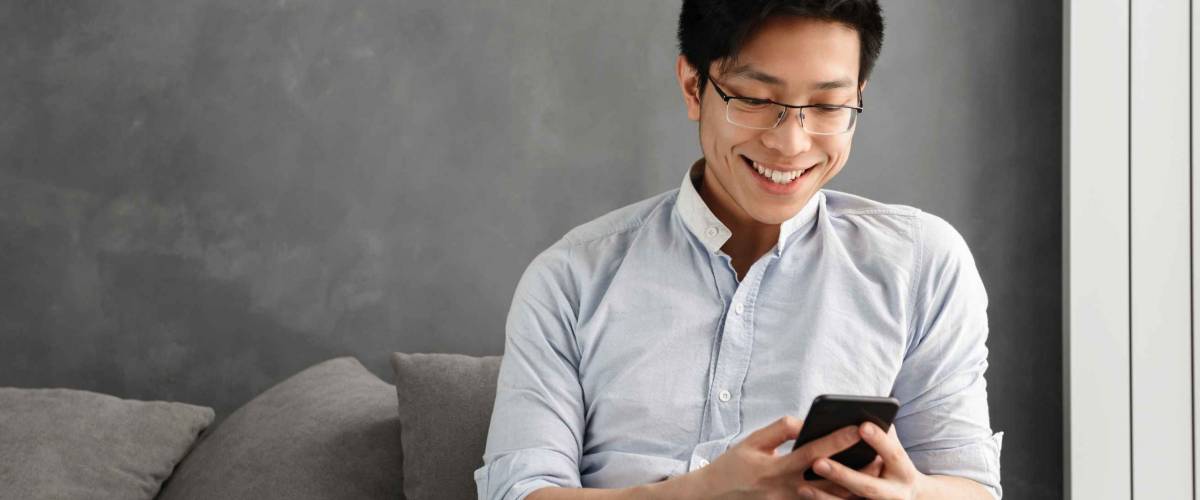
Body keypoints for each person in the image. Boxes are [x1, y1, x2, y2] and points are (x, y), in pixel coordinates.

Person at [474, 1, 1003, 498]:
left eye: (827, 105)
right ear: (692, 85)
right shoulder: (571, 278)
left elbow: (970, 485)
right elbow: (520, 490)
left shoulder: (921, 264)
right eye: (754, 99)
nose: (792, 143)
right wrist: (699, 493)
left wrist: (911, 494)